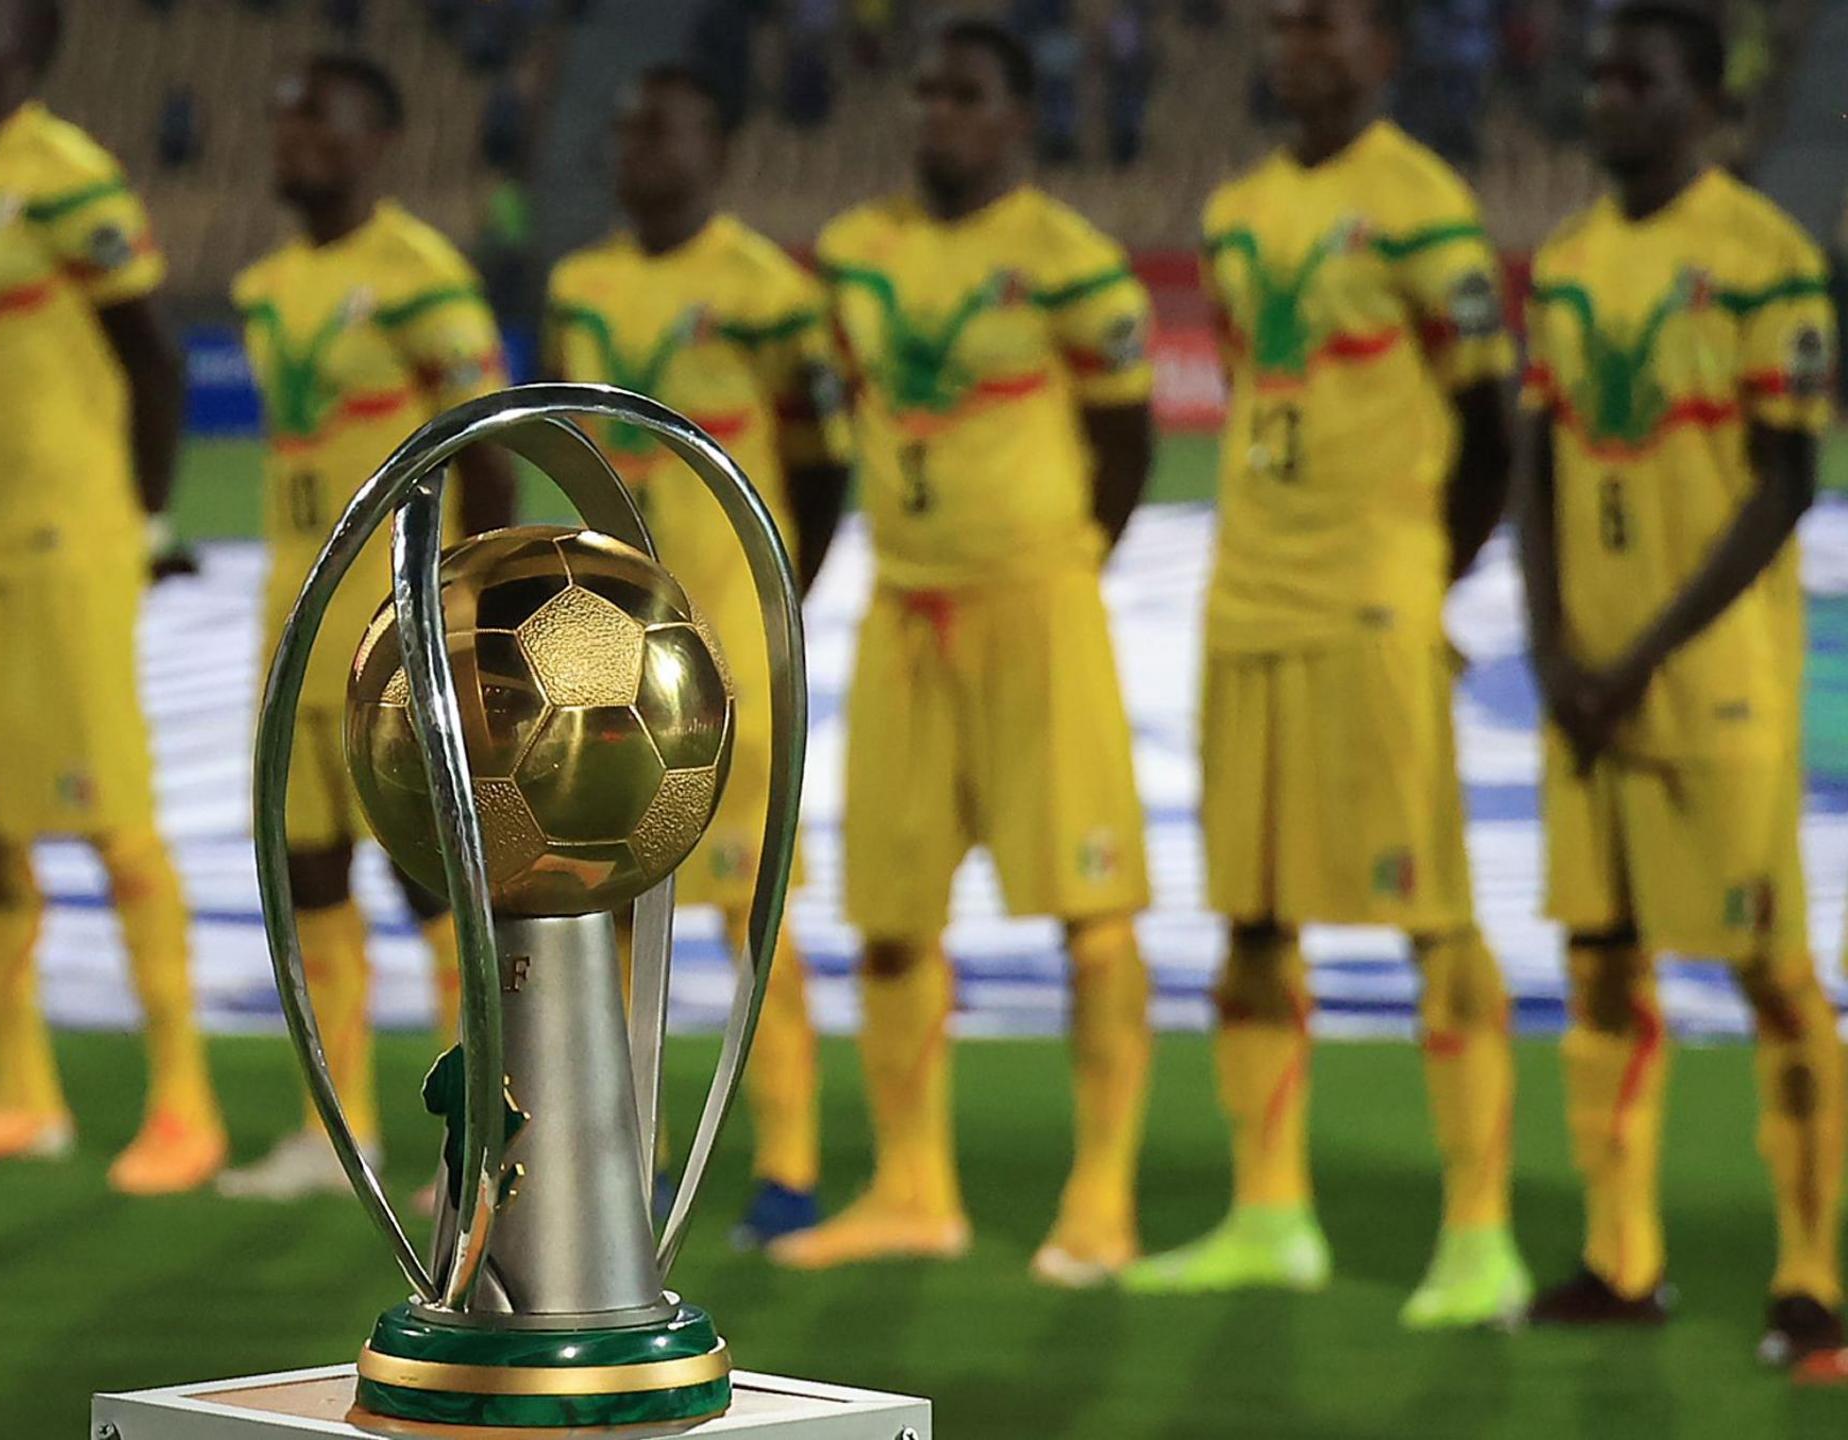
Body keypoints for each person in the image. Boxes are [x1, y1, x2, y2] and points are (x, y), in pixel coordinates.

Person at [1119, 0, 1523, 1329]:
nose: (1303, 45)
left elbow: (1488, 421)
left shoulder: (1423, 204)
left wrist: (1422, 579)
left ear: (1385, 51)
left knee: (1431, 914)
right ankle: (1269, 1211)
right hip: (1249, 600)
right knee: (1249, 915)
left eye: (1331, 24)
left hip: (1368, 604)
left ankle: (1479, 1236)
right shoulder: (1235, 211)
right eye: (1286, 23)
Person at [777, 20, 1157, 1282]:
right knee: (889, 920)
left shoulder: (1070, 262)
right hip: (902, 613)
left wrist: (1059, 558)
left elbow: (1126, 441)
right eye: (926, 88)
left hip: (1038, 610)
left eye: (967, 94)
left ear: (1014, 118)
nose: (938, 111)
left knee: (1092, 921)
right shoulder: (852, 255)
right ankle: (910, 1190)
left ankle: (1100, 1199)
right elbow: (829, 429)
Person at [1515, 2, 1844, 1381]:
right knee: (1600, 963)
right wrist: (1549, 643)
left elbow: (1786, 480)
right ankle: (1620, 1260)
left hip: (1713, 684)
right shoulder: (1570, 259)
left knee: (1769, 973)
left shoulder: (1767, 261)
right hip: (1583, 680)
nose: (1609, 100)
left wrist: (1637, 655)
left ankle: (1817, 1283)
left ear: (1705, 103)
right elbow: (1535, 458)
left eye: (1638, 79)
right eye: (1599, 77)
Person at [0, 0, 223, 1193]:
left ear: (22, 48)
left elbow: (154, 354)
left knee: (110, 812)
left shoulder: (71, 178)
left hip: (62, 535)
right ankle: (17, 1092)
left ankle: (184, 1098)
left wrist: (147, 520)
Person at [543, 62, 855, 1247]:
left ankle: (787, 1168)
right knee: (609, 911)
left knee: (743, 917)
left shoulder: (768, 290)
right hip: (600, 655)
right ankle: (626, 1162)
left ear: (715, 152)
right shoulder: (581, 286)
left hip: (725, 667)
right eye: (627, 135)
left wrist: (768, 601)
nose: (640, 156)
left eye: (665, 135)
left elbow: (823, 465)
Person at [218, 54, 518, 1199]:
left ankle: (483, 1138)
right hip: (290, 612)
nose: (295, 144)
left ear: (376, 144)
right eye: (285, 121)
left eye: (320, 126)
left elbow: (485, 450)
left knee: (434, 883)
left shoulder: (421, 279)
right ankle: (329, 1135)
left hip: (400, 622)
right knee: (307, 871)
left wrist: (467, 604)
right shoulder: (267, 282)